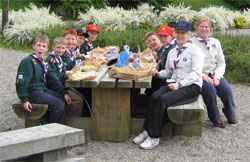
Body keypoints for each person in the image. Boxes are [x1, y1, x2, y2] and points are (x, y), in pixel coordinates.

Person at [133, 21, 204, 149]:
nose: (180, 35)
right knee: (154, 96)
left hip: (192, 86)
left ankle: (154, 137)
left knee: (163, 99)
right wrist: (157, 74)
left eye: (183, 33)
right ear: (174, 34)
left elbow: (196, 74)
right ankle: (147, 130)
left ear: (189, 34)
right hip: (175, 82)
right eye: (178, 32)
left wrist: (180, 84)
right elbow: (169, 72)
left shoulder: (195, 51)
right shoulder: (173, 52)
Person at [191, 16, 237, 128]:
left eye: (206, 27)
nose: (204, 29)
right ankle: (215, 118)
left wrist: (217, 77)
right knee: (210, 91)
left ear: (210, 28)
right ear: (197, 27)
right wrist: (202, 76)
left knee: (227, 90)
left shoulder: (215, 42)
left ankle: (230, 114)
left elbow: (221, 63)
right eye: (201, 26)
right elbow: (189, 65)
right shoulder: (191, 43)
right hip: (200, 75)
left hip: (214, 74)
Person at [16, 34, 71, 124]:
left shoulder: (43, 62)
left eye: (44, 46)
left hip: (42, 90)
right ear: (33, 46)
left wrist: (63, 92)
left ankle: (48, 122)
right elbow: (21, 82)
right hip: (33, 92)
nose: (41, 48)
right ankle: (51, 129)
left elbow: (52, 79)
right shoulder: (28, 61)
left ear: (47, 49)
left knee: (62, 99)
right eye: (38, 45)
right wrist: (24, 99)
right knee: (58, 105)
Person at [45, 37, 84, 117]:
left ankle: (78, 116)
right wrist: (67, 74)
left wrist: (71, 71)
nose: (60, 50)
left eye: (63, 48)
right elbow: (54, 79)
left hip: (61, 85)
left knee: (81, 95)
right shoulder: (50, 60)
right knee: (77, 100)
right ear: (53, 47)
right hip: (53, 88)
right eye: (58, 47)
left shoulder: (59, 58)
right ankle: (70, 120)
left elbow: (62, 73)